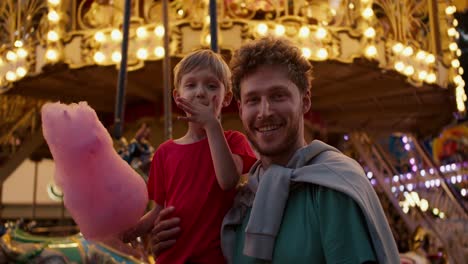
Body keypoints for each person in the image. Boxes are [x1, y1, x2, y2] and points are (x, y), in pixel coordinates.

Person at [150, 37, 400, 263]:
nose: (265, 111)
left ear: (305, 101)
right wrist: (170, 240)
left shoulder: (331, 189)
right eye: (253, 100)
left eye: (278, 96)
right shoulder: (244, 200)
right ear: (240, 110)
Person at [123, 49, 257, 264]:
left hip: (214, 257)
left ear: (226, 98)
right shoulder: (165, 152)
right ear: (178, 96)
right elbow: (158, 210)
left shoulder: (233, 141)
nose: (200, 92)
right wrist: (130, 231)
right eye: (191, 85)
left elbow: (228, 180)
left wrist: (212, 125)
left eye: (211, 86)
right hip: (172, 256)